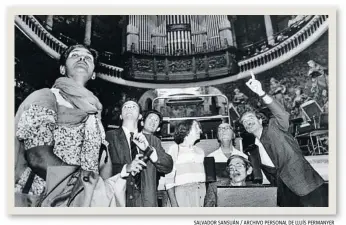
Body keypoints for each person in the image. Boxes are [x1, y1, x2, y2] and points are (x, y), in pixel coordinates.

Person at [14, 44, 123, 207]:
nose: (82, 58)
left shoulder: (95, 113)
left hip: (86, 200)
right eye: (75, 55)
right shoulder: (46, 97)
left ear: (93, 74)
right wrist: (82, 184)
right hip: (45, 197)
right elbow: (38, 157)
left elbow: (102, 161)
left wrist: (104, 195)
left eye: (88, 58)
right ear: (63, 69)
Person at [239, 71, 326, 207]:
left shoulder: (275, 126)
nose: (248, 122)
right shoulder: (252, 150)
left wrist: (261, 93)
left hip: (306, 185)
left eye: (250, 118)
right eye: (244, 122)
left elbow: (282, 114)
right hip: (285, 196)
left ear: (260, 120)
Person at [106, 100, 173, 207]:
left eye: (133, 106)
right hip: (121, 201)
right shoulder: (109, 136)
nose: (129, 108)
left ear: (140, 116)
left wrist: (149, 150)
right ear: (120, 116)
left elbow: (168, 166)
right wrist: (126, 168)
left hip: (146, 203)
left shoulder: (152, 140)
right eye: (125, 107)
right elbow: (102, 170)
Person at [165, 120, 206, 207]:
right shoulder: (174, 149)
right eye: (196, 127)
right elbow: (169, 180)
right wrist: (174, 203)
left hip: (200, 193)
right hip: (182, 195)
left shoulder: (200, 151)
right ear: (185, 130)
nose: (200, 130)